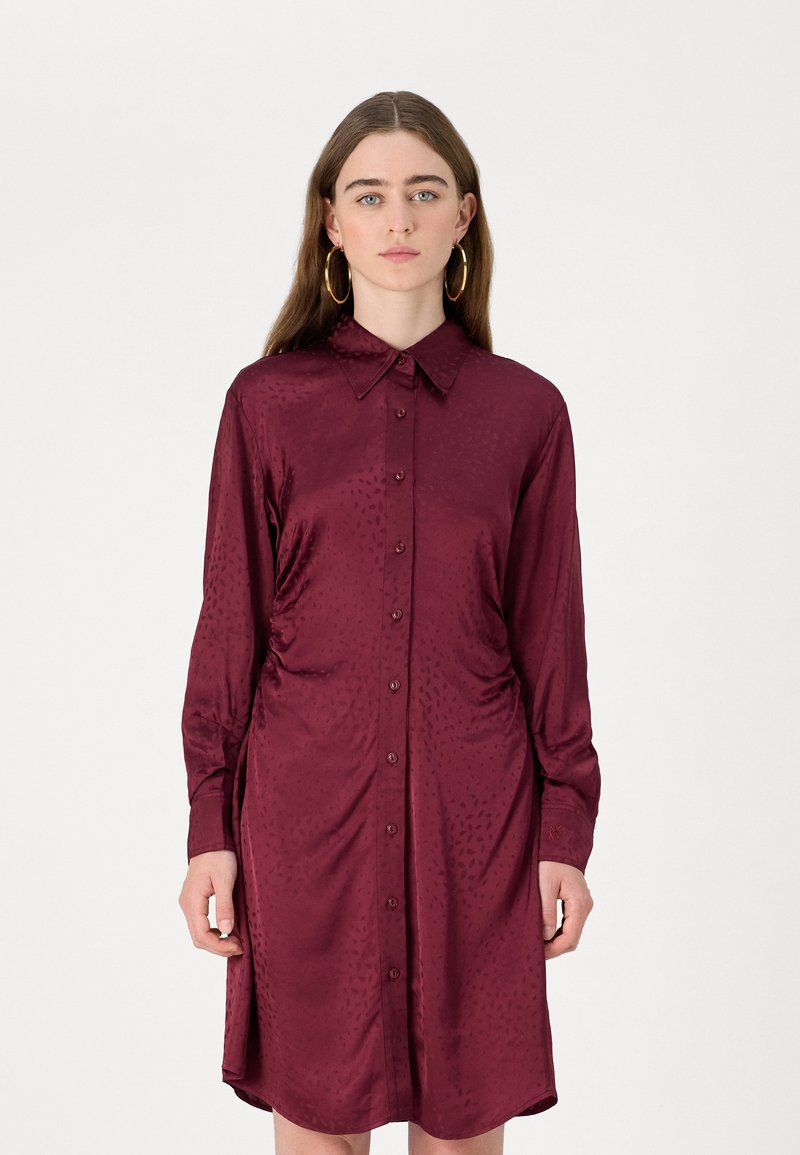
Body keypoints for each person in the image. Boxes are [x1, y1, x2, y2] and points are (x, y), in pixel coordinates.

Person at [178, 90, 600, 1155]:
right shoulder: (266, 405)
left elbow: (551, 643)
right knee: (318, 1121)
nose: (398, 218)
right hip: (303, 819)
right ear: (331, 221)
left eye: (423, 192)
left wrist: (564, 830)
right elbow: (230, 631)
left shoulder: (526, 415)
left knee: (462, 1127)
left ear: (464, 215)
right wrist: (210, 827)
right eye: (369, 195)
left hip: (478, 824)